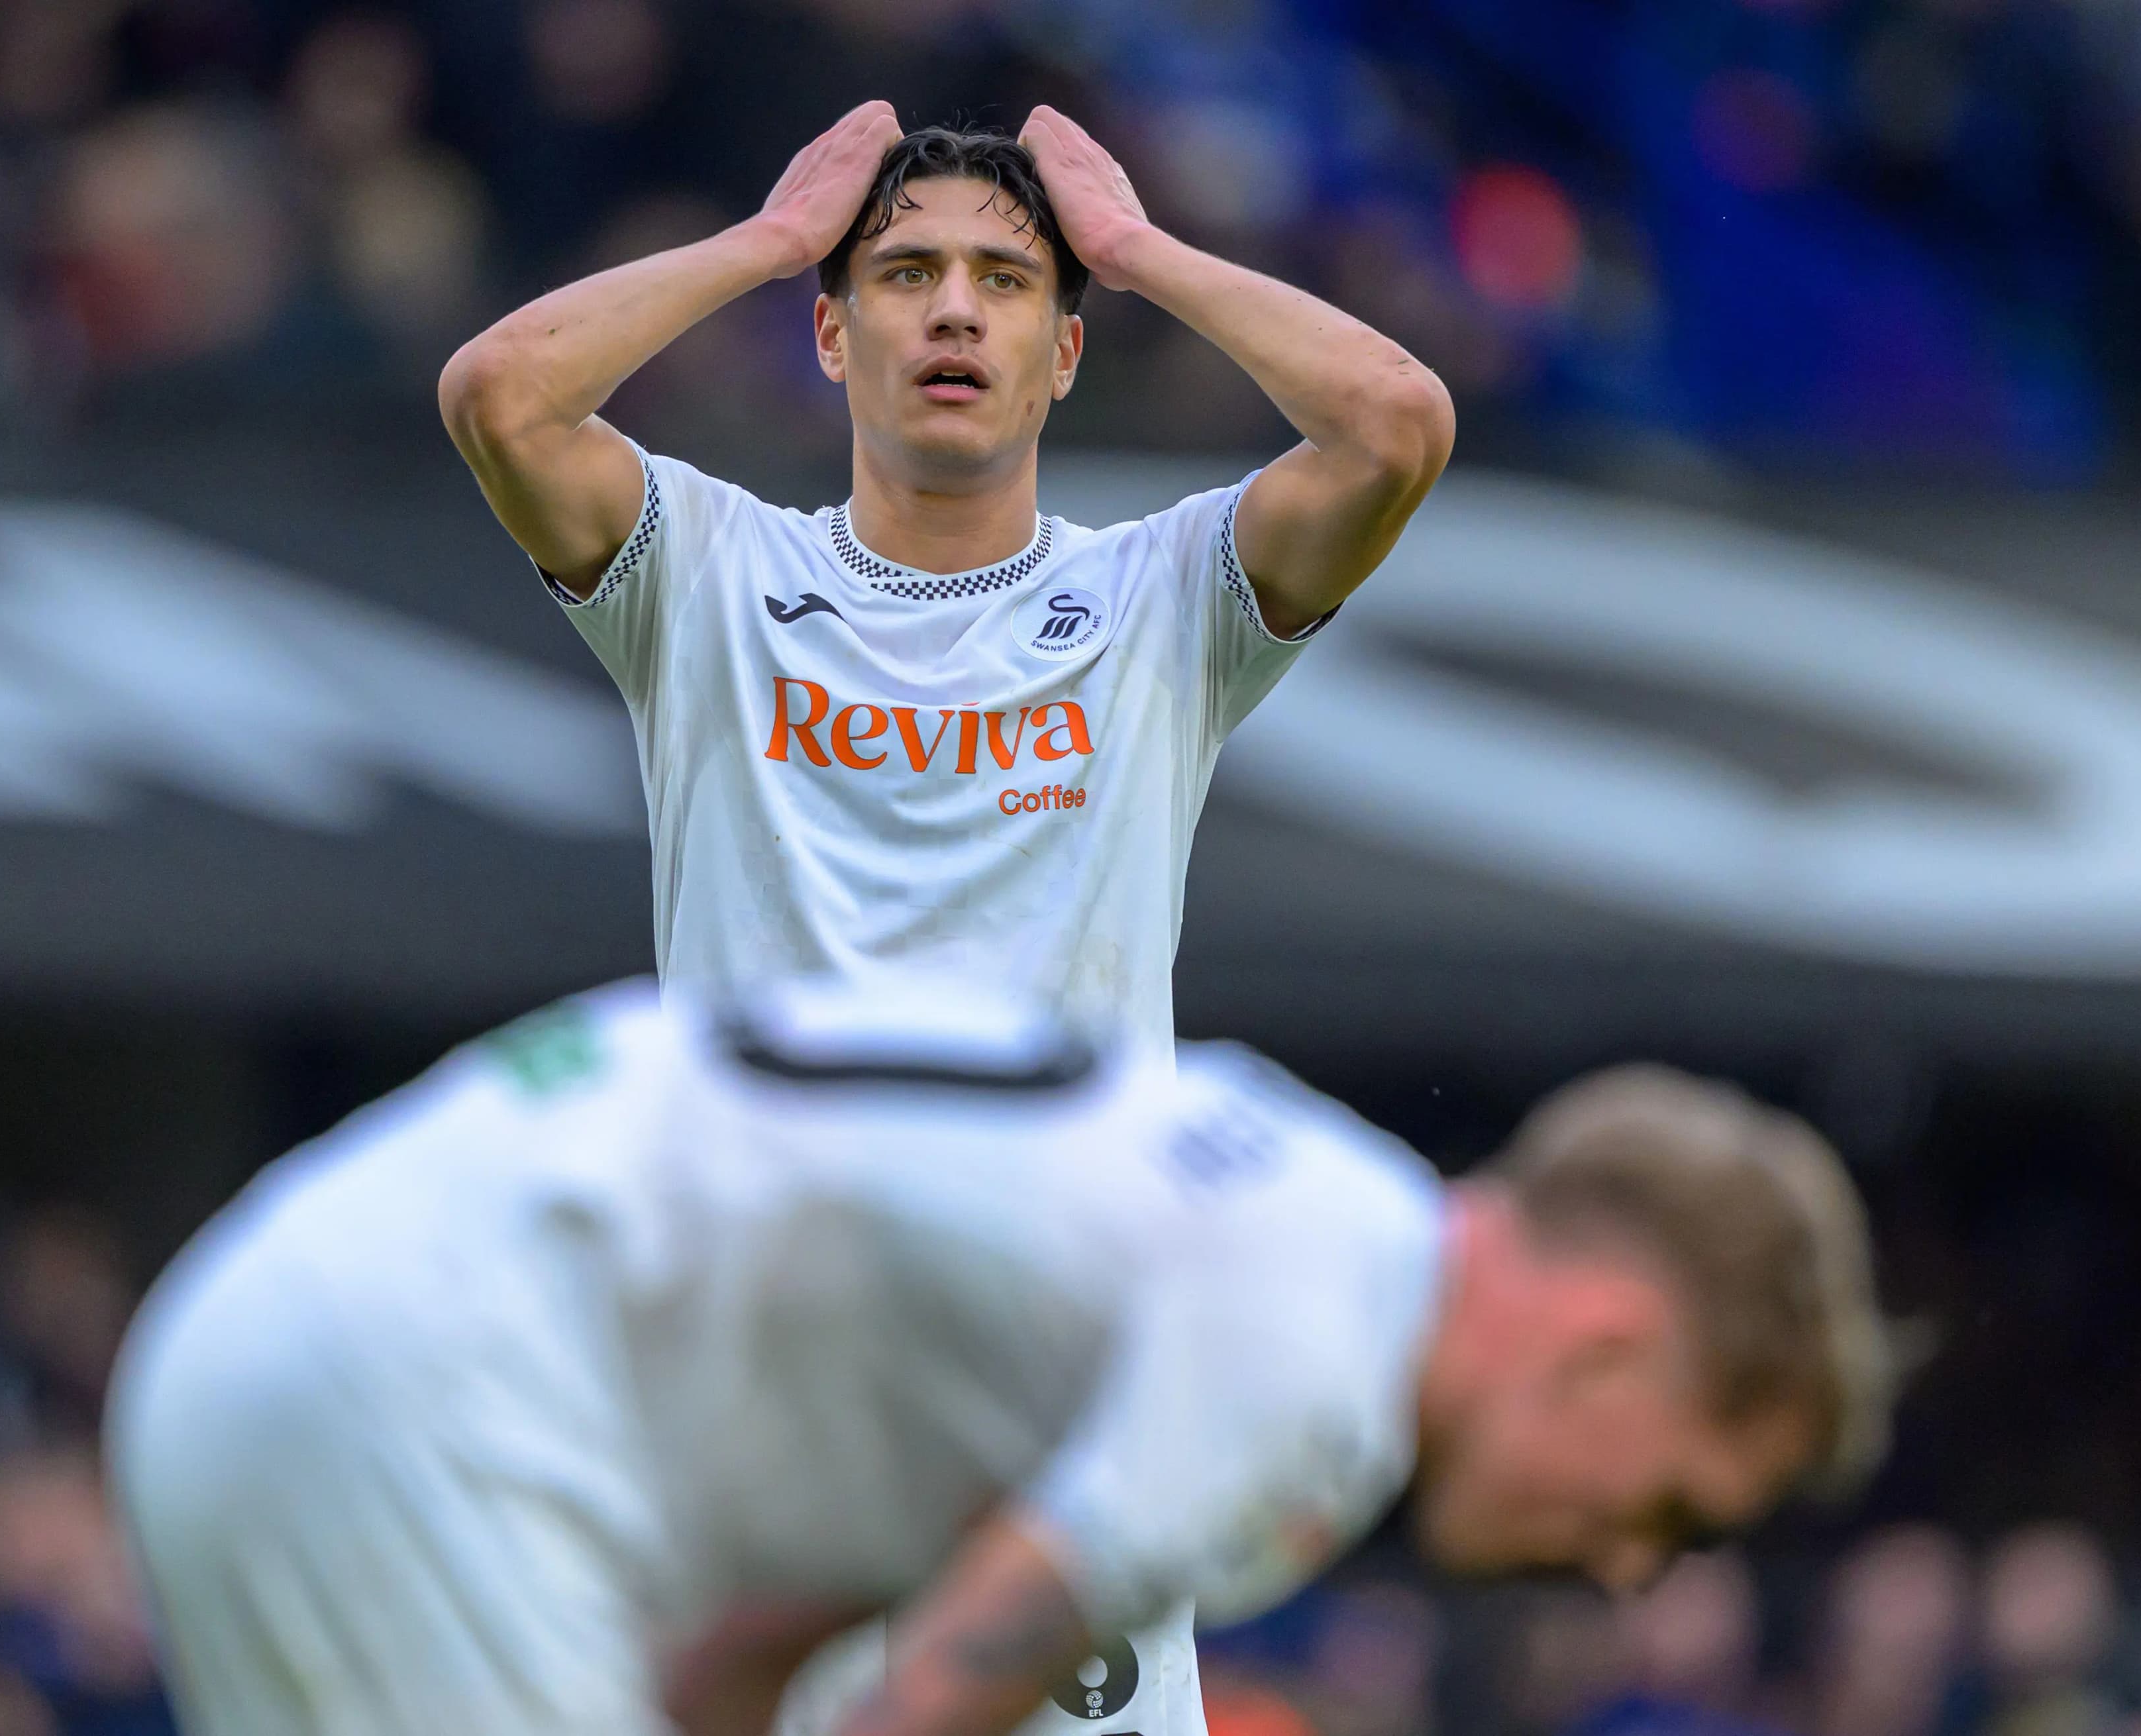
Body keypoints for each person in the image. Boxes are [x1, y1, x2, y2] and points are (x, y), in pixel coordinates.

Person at [438, 101, 1454, 1733]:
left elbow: (1396, 424)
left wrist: (1140, 251)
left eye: (1005, 279)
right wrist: (767, 242)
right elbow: (499, 393)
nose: (957, 310)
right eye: (906, 275)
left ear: (1064, 352)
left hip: (1066, 1390)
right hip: (777, 1393)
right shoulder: (702, 572)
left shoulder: (1163, 599)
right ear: (835, 340)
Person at [107, 977, 1893, 1736]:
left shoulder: (1281, 1197)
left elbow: (749, 1664)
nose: (1629, 1554)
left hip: (297, 1322)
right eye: (1669, 1495)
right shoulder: (1332, 1366)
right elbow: (937, 1690)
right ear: (1609, 1343)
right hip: (436, 1395)